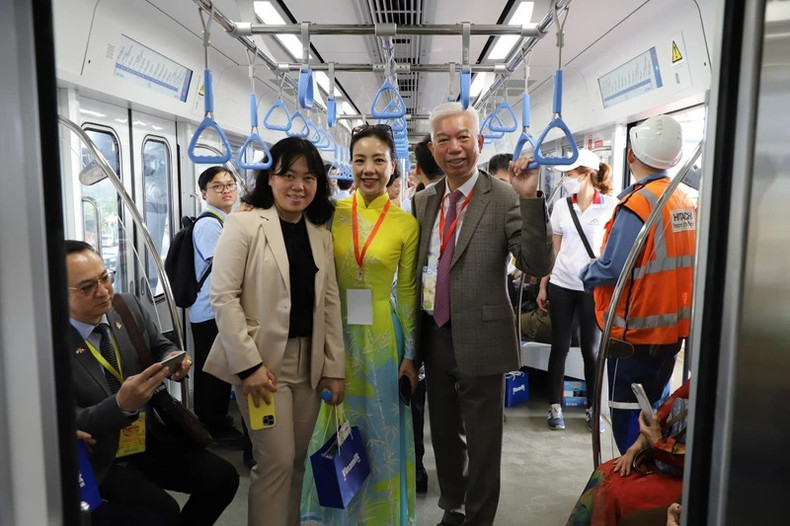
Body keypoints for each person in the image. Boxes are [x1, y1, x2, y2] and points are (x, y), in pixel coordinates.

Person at [413, 102, 554, 526]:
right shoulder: (423, 201)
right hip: (434, 330)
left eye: (462, 137)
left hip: (483, 333)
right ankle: (452, 505)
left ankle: (479, 518)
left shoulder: (504, 195)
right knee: (443, 433)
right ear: (433, 149)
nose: (454, 148)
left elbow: (536, 263)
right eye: (443, 140)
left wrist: (529, 197)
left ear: (479, 142)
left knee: (483, 437)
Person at [203, 137, 345, 526]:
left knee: (297, 461)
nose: (298, 185)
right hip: (262, 364)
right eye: (287, 175)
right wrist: (248, 366)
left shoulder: (320, 234)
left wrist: (334, 367)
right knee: (275, 462)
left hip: (308, 363)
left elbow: (328, 305)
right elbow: (223, 297)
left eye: (308, 177)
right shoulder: (244, 224)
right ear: (270, 178)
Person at [65, 240, 239, 526]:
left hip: (147, 437)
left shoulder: (126, 307)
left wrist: (173, 357)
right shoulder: (47, 344)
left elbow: (159, 345)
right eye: (86, 287)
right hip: (101, 456)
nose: (103, 291)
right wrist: (120, 405)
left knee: (222, 478)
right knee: (162, 510)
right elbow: (64, 419)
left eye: (105, 278)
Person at [301, 123, 420, 525]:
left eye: (378, 160)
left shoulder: (405, 223)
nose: (368, 168)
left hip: (384, 339)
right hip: (336, 334)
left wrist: (411, 356)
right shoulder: (329, 213)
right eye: (360, 160)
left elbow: (406, 293)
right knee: (335, 425)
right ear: (349, 164)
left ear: (393, 165)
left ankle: (380, 517)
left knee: (380, 430)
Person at [580, 115, 696, 455]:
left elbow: (613, 267)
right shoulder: (682, 201)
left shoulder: (639, 205)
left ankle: (632, 493)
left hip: (634, 337)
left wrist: (586, 274)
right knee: (655, 418)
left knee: (628, 425)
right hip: (671, 335)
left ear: (631, 155)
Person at [537, 149, 617, 431]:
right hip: (561, 284)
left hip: (592, 287)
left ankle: (593, 408)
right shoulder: (561, 206)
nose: (566, 179)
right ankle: (554, 406)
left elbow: (611, 252)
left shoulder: (610, 207)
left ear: (586, 175)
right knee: (559, 346)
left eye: (570, 174)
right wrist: (544, 284)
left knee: (591, 350)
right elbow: (554, 249)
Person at [566, 381, 689, 526]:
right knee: (605, 471)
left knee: (616, 495)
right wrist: (639, 443)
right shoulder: (709, 375)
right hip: (668, 457)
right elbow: (670, 403)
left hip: (693, 479)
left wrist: (658, 443)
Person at [189, 166, 246, 448]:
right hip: (209, 310)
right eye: (218, 186)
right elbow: (223, 264)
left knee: (220, 370)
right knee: (211, 372)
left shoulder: (228, 219)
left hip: (217, 308)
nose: (226, 190)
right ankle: (210, 425)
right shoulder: (208, 224)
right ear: (204, 193)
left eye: (230, 184)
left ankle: (219, 420)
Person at [406, 133, 444, 494]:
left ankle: (415, 466)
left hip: (420, 317)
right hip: (439, 318)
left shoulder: (412, 207)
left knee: (415, 400)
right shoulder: (418, 205)